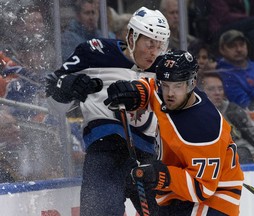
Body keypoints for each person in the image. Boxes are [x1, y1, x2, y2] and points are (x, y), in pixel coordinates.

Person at [45, 6, 170, 216]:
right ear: (132, 36)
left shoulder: (165, 67)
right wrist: (67, 89)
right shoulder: (95, 51)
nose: (153, 52)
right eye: (149, 43)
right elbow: (54, 101)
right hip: (105, 152)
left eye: (160, 45)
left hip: (148, 158)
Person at [105, 50, 244, 215]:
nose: (170, 93)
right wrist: (135, 92)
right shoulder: (173, 95)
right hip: (178, 194)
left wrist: (162, 174)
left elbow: (202, 189)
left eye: (177, 86)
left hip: (213, 199)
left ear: (192, 84)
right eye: (165, 85)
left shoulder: (202, 127)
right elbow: (152, 90)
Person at [201, 72, 254, 163]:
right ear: (200, 92)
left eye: (220, 89)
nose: (217, 93)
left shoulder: (234, 110)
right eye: (211, 89)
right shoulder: (195, 116)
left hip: (250, 157)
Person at [216, 29, 254, 108]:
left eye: (242, 44)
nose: (239, 49)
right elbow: (245, 105)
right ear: (222, 50)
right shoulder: (223, 75)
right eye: (232, 46)